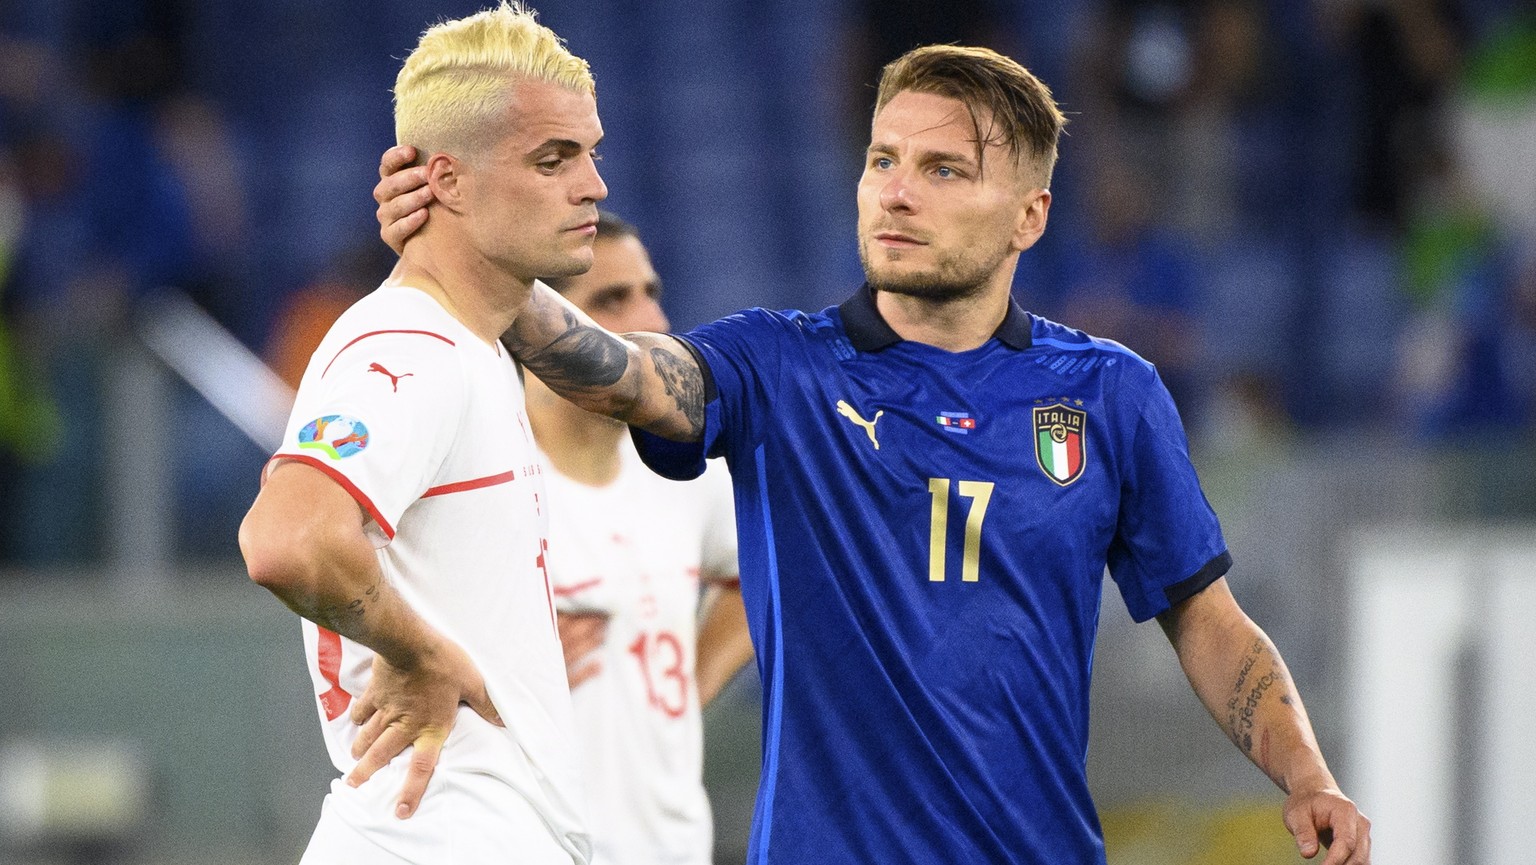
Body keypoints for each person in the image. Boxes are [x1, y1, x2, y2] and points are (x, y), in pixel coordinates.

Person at [374, 44, 1372, 865]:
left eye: (944, 171)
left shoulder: (1107, 395)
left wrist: (1308, 775)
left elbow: (1207, 618)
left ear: (1029, 216)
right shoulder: (777, 366)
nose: (896, 194)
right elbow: (625, 372)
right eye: (882, 160)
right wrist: (482, 261)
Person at [239, 4, 606, 863]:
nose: (593, 184)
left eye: (591, 154)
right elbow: (286, 538)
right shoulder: (410, 345)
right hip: (436, 833)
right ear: (445, 180)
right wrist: (420, 651)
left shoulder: (473, 342)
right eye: (553, 159)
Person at [533, 210, 754, 865]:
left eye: (651, 293)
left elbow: (758, 571)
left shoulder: (688, 470)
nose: (652, 323)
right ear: (539, 330)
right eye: (612, 298)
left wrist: (691, 674)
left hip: (674, 845)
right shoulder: (488, 477)